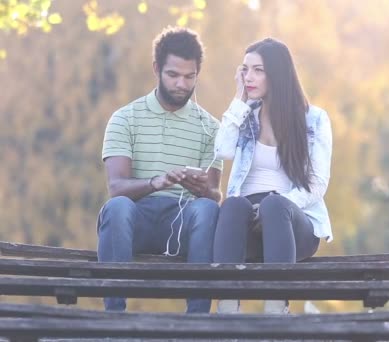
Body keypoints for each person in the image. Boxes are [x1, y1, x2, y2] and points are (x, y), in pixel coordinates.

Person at [97, 27, 222, 313]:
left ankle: (198, 319)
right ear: (157, 69)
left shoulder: (211, 128)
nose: (181, 84)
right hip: (136, 218)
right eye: (173, 75)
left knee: (207, 209)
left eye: (190, 77)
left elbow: (214, 194)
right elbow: (116, 187)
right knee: (116, 208)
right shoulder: (125, 118)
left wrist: (199, 187)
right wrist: (157, 181)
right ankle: (114, 316)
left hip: (182, 221)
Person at [213, 38, 333, 314]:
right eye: (245, 69)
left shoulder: (314, 119)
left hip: (291, 223)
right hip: (246, 224)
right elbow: (222, 150)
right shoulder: (245, 116)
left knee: (274, 205)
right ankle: (227, 312)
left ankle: (276, 310)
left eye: (258, 70)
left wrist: (270, 208)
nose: (249, 77)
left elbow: (317, 184)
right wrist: (237, 100)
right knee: (231, 205)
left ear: (276, 74)